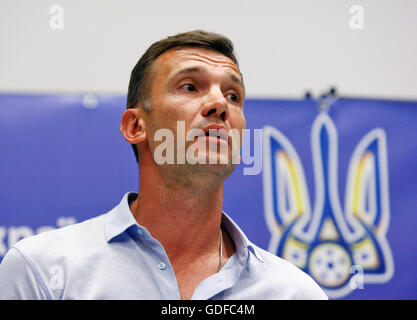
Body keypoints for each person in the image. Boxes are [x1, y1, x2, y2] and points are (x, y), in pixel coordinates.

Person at [0, 30, 327, 300]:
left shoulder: (294, 293)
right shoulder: (43, 271)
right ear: (135, 127)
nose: (219, 105)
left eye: (233, 95)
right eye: (189, 87)